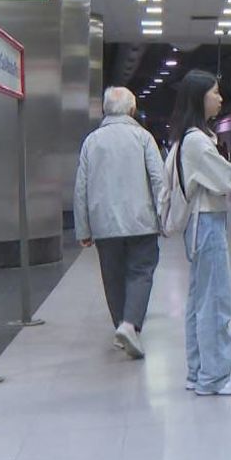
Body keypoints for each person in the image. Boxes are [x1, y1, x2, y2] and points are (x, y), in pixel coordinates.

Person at [168, 70, 231, 396]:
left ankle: (198, 370)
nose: (220, 98)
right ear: (200, 97)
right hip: (207, 224)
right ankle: (214, 377)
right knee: (215, 300)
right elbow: (226, 179)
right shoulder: (199, 141)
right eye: (215, 92)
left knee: (199, 301)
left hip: (198, 225)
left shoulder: (188, 137)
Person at [74, 87, 165, 359]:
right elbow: (158, 179)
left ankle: (121, 327)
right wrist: (164, 217)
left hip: (104, 224)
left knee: (112, 276)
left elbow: (82, 187)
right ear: (132, 110)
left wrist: (83, 228)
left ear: (105, 109)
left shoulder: (92, 141)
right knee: (141, 271)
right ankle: (129, 325)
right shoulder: (143, 137)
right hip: (142, 221)